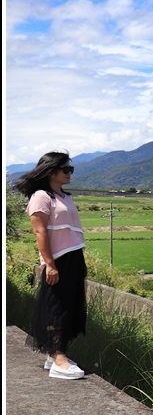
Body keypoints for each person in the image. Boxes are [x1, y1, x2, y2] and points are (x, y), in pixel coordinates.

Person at [13, 151, 87, 379]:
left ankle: (54, 354)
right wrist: (50, 264)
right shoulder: (41, 197)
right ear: (51, 172)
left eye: (70, 169)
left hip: (74, 255)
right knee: (58, 307)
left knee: (71, 305)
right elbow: (39, 231)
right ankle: (58, 358)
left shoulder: (64, 196)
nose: (69, 174)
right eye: (66, 170)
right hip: (58, 258)